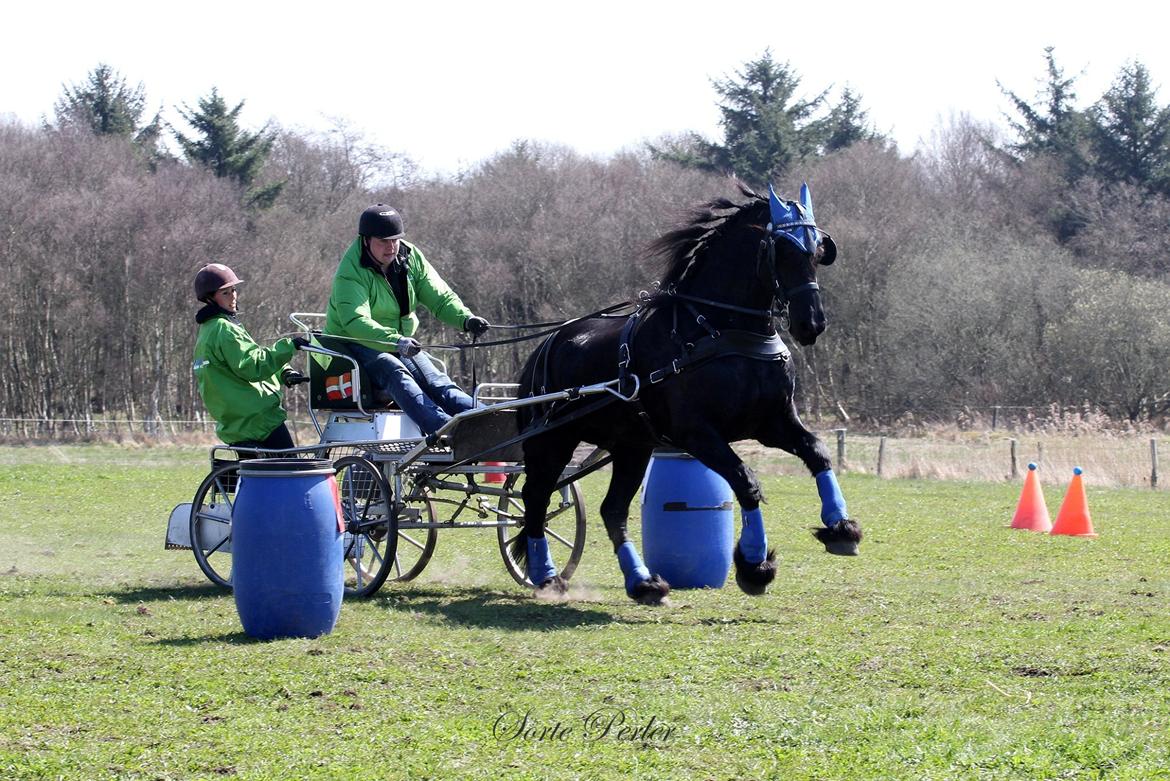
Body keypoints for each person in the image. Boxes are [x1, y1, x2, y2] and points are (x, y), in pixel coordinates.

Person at [324, 204, 490, 435]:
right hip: (355, 344)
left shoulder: (410, 257)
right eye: (383, 241)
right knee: (397, 374)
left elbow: (440, 298)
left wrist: (466, 319)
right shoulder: (351, 271)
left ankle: (492, 422)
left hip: (397, 342)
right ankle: (449, 432)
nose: (391, 247)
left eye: (395, 240)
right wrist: (396, 341)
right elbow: (355, 322)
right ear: (365, 240)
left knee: (436, 381)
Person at [192, 263, 310, 452]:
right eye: (225, 293)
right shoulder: (225, 329)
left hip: (235, 424)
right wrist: (290, 346)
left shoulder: (207, 331)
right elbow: (253, 367)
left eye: (234, 290)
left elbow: (239, 367)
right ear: (209, 298)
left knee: (256, 479)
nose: (233, 297)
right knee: (293, 473)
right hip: (259, 421)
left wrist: (283, 372)